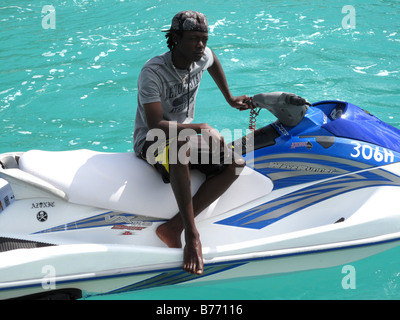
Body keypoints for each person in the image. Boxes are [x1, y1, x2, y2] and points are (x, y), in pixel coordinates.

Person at [133, 11, 249, 275]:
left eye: (204, 39)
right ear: (175, 39)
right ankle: (192, 236)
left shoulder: (202, 56)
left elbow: (213, 60)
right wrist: (201, 128)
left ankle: (172, 227)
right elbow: (154, 125)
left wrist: (229, 98)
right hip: (151, 141)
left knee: (236, 164)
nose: (201, 45)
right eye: (194, 39)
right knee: (179, 147)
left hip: (185, 136)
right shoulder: (153, 72)